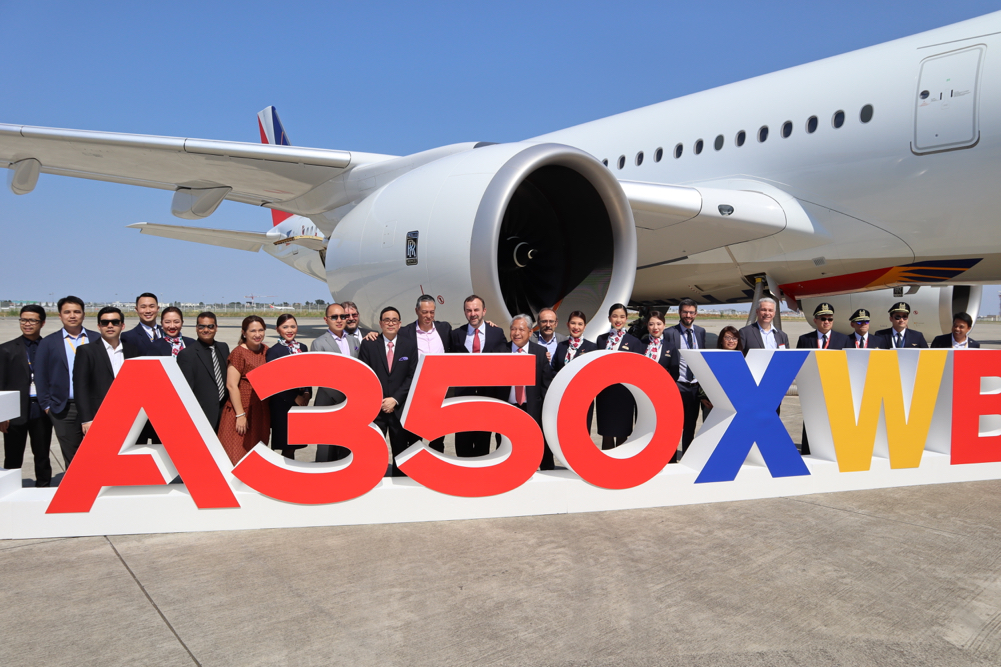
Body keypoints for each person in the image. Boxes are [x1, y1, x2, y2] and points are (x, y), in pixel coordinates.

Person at [34, 296, 99, 468]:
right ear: (60, 316)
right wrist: (47, 405)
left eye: (77, 312)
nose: (72, 316)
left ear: (84, 315)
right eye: (67, 312)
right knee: (73, 456)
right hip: (63, 409)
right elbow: (41, 376)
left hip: (95, 406)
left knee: (97, 452)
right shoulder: (49, 342)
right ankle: (78, 490)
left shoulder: (96, 339)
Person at [358, 307, 419, 476]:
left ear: (400, 324)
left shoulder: (409, 345)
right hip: (376, 410)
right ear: (380, 323)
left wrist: (395, 399)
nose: (390, 323)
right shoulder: (369, 344)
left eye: (394, 320)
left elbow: (412, 376)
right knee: (373, 453)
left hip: (399, 409)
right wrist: (381, 400)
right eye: (386, 320)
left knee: (401, 452)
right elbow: (364, 376)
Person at [0, 305, 53, 487]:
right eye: (23, 320)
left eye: (32, 320)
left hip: (41, 408)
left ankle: (43, 486)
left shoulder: (49, 347)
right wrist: (3, 414)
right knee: (13, 454)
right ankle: (10, 488)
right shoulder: (6, 349)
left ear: (42, 323)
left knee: (42, 453)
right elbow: (1, 383)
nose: (27, 324)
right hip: (16, 410)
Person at [450, 295, 508, 457]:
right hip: (463, 399)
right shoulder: (456, 335)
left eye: (476, 310)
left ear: (484, 311)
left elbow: (505, 360)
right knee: (462, 441)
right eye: (469, 310)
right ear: (464, 312)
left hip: (487, 397)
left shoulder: (496, 333)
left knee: (483, 443)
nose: (472, 314)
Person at [397, 294, 453, 453]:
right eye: (424, 312)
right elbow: (388, 340)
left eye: (432, 312)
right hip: (416, 392)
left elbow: (461, 338)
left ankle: (437, 470)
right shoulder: (406, 332)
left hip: (439, 392)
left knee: (438, 436)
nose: (428, 316)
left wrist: (487, 324)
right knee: (414, 436)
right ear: (416, 311)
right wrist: (371, 335)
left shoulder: (444, 329)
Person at [72, 307, 140, 434]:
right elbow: (80, 387)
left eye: (115, 322)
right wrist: (87, 419)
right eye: (105, 323)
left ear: (122, 326)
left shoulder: (132, 350)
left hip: (128, 417)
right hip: (97, 416)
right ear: (99, 326)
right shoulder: (86, 351)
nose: (110, 326)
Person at [217, 316, 270, 466]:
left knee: (257, 453)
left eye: (261, 330)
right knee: (236, 453)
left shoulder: (266, 350)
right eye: (253, 331)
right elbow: (231, 385)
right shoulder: (238, 353)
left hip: (260, 410)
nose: (257, 334)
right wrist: (240, 415)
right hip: (241, 409)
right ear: (244, 333)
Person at [311, 303, 360, 462]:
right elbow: (320, 376)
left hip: (350, 404)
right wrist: (342, 396)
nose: (339, 320)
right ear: (326, 319)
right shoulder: (319, 343)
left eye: (342, 316)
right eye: (334, 317)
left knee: (346, 446)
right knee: (326, 447)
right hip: (329, 401)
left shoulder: (354, 341)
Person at [506, 314, 555, 469]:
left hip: (533, 409)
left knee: (537, 446)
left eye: (521, 329)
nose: (517, 333)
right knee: (510, 447)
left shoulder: (540, 352)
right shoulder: (502, 351)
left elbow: (545, 384)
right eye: (513, 329)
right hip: (509, 408)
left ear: (529, 332)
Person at [595, 303, 644, 450]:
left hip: (624, 393)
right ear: (609, 318)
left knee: (623, 432)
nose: (618, 319)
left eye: (622, 316)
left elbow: (637, 369)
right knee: (606, 432)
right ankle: (606, 468)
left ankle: (621, 467)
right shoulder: (601, 340)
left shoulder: (634, 342)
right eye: (615, 316)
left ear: (626, 319)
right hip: (605, 393)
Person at [663, 299, 708, 456]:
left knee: (690, 425)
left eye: (691, 312)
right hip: (678, 384)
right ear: (679, 313)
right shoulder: (669, 333)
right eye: (685, 312)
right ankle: (671, 457)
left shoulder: (701, 332)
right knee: (674, 425)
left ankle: (687, 455)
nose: (688, 315)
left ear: (695, 314)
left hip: (695, 387)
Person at [265, 314, 312, 459]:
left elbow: (308, 373)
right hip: (283, 404)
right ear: (277, 329)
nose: (289, 330)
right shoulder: (274, 351)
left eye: (293, 326)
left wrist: (307, 394)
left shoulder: (302, 347)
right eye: (285, 327)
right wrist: (294, 398)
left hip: (300, 403)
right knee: (286, 445)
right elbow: (274, 382)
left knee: (295, 445)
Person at [177, 312, 230, 431]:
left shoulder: (223, 348)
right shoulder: (187, 354)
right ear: (196, 328)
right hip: (203, 416)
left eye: (210, 326)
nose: (206, 330)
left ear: (216, 328)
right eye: (201, 326)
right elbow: (186, 390)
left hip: (225, 414)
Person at [552, 311, 597, 434]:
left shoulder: (592, 347)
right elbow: (554, 369)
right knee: (564, 432)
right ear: (567, 324)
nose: (576, 327)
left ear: (585, 326)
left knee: (581, 434)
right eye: (573, 323)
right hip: (562, 397)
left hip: (583, 399)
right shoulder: (561, 346)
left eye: (580, 324)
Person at [699, 325, 743, 417]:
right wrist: (703, 398)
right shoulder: (712, 358)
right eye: (727, 337)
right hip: (712, 405)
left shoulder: (743, 359)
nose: (731, 341)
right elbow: (704, 380)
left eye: (734, 338)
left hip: (735, 406)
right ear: (721, 340)